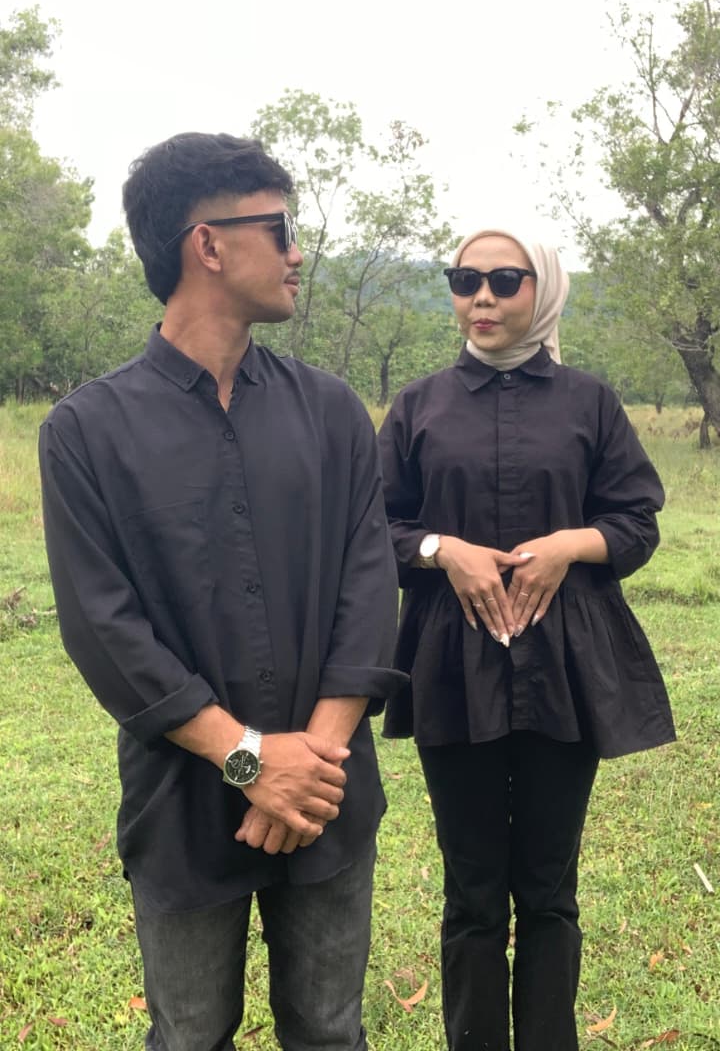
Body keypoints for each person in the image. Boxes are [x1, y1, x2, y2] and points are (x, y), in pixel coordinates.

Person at [39, 132, 405, 1051]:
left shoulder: (331, 411)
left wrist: (308, 768)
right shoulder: (87, 431)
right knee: (190, 1035)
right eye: (280, 228)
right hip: (182, 799)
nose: (297, 252)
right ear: (207, 243)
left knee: (330, 1031)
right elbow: (103, 628)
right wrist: (249, 762)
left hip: (325, 793)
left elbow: (369, 589)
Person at [378, 228, 675, 1051]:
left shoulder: (590, 402)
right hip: (452, 668)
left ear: (542, 289)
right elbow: (373, 527)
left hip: (562, 668)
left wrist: (571, 545)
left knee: (548, 892)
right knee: (472, 893)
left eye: (505, 280)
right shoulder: (419, 406)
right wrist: (442, 550)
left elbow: (637, 521)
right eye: (464, 279)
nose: (481, 296)